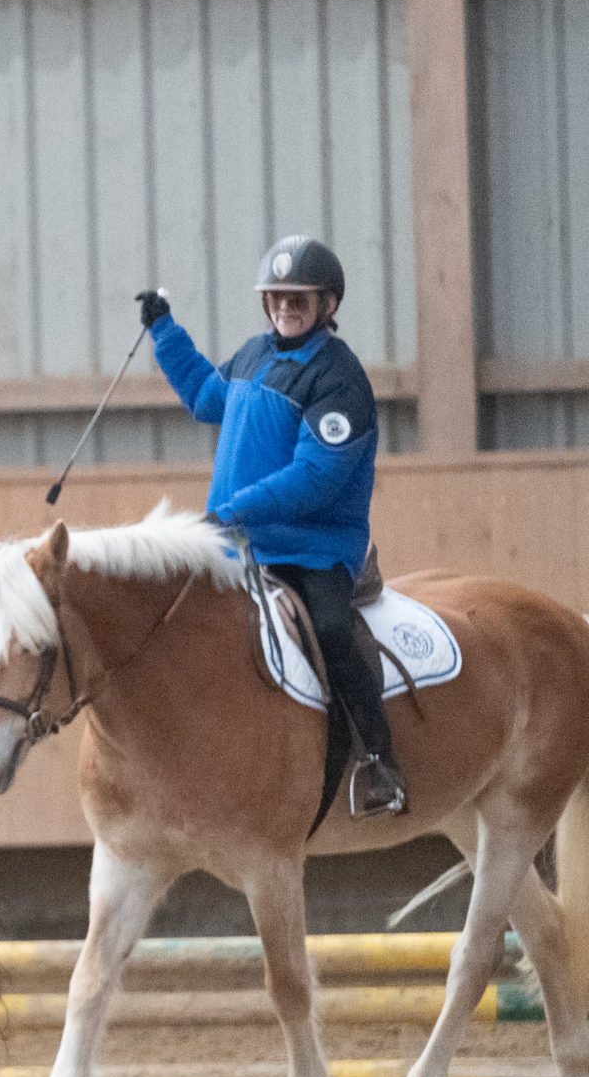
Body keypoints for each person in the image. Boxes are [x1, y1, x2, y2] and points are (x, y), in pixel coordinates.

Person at [142, 239, 406, 816]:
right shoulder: (254, 353)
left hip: (313, 549)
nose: (286, 307)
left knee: (332, 631)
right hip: (240, 542)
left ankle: (380, 762)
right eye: (277, 297)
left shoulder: (339, 379)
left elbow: (315, 478)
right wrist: (165, 332)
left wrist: (233, 511)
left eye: (299, 299)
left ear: (326, 303)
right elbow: (206, 398)